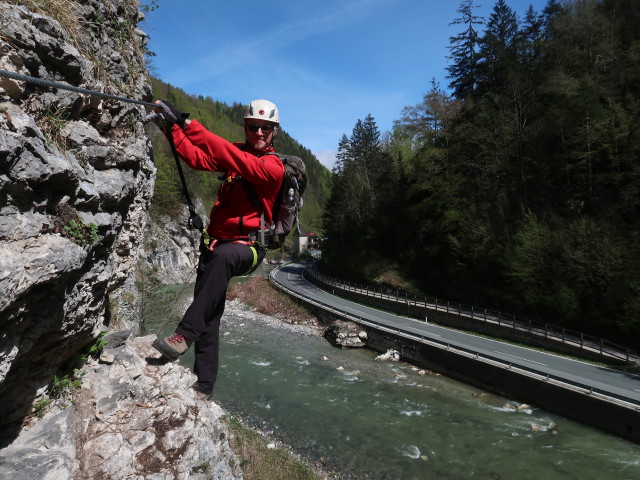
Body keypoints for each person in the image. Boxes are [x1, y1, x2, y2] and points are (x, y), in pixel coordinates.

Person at [151, 99, 284, 400]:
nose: (259, 132)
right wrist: (171, 129)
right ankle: (204, 386)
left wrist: (186, 123)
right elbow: (198, 158)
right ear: (246, 127)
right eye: (254, 126)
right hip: (217, 244)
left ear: (275, 132)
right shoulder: (239, 155)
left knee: (222, 261)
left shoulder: (271, 167)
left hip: (247, 249)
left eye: (266, 128)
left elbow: (225, 152)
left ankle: (183, 335)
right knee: (209, 311)